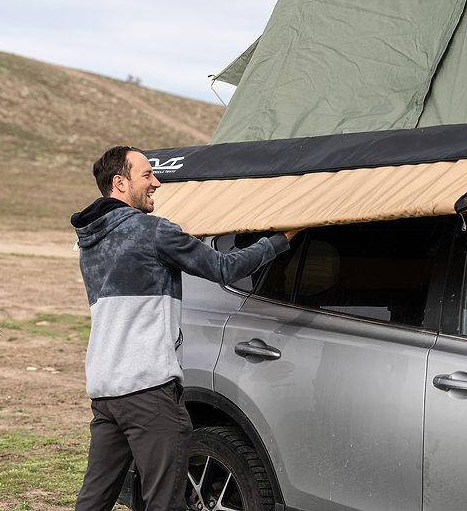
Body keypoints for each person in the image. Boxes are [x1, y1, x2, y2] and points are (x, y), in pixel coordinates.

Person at [69, 146, 300, 511]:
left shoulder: (89, 239)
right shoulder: (151, 230)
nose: (156, 182)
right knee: (166, 502)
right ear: (120, 181)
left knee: (94, 500)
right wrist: (279, 241)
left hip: (105, 387)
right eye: (147, 175)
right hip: (147, 389)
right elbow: (224, 268)